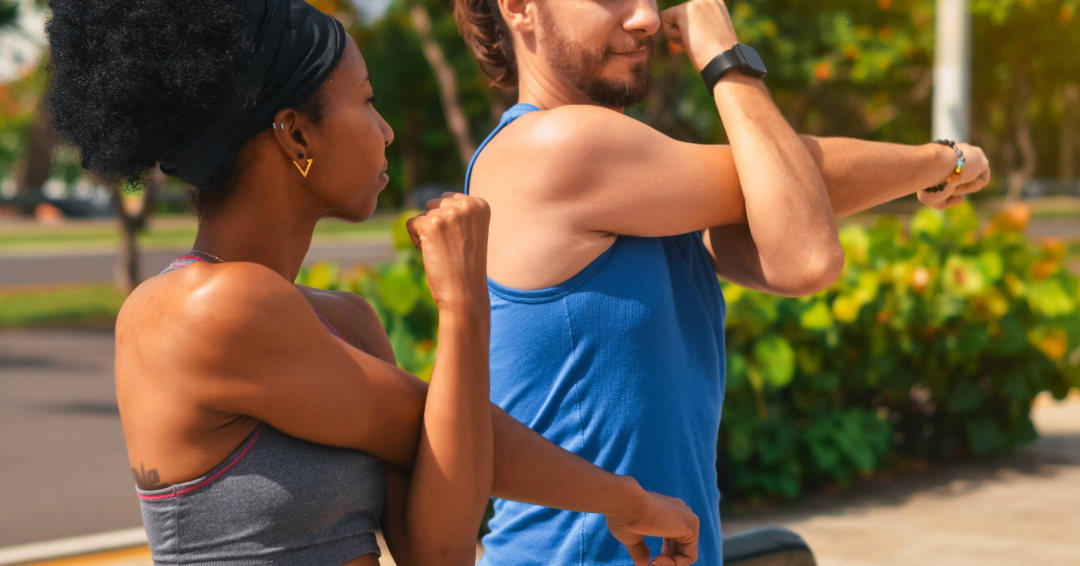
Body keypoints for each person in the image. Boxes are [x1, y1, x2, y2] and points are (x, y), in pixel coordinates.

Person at [46, 1, 702, 565]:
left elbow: (438, 552)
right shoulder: (198, 309)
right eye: (365, 101)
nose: (386, 130)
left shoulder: (347, 323)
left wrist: (464, 309)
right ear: (296, 135)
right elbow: (446, 430)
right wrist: (628, 499)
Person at [453, 0, 993, 564]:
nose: (644, 18)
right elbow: (807, 250)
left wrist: (938, 164)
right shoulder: (556, 148)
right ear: (518, 8)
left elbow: (786, 225)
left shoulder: (638, 182)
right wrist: (727, 60)